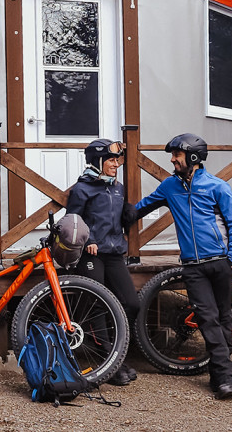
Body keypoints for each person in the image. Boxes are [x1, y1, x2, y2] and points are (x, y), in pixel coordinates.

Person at [133, 133, 232, 399]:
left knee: (224, 319)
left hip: (220, 262)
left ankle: (221, 375)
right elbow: (140, 208)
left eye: (176, 156)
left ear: (192, 157)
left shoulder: (217, 187)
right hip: (193, 267)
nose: (172, 160)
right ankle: (228, 377)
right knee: (207, 319)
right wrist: (109, 215)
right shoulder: (170, 186)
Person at [65, 139, 140, 386]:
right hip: (91, 254)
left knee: (131, 303)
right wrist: (89, 240)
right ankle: (109, 361)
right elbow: (72, 221)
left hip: (114, 252)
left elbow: (115, 215)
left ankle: (116, 354)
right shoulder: (81, 189)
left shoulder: (116, 187)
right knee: (97, 304)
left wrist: (129, 214)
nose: (116, 165)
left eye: (117, 160)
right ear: (98, 162)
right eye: (110, 160)